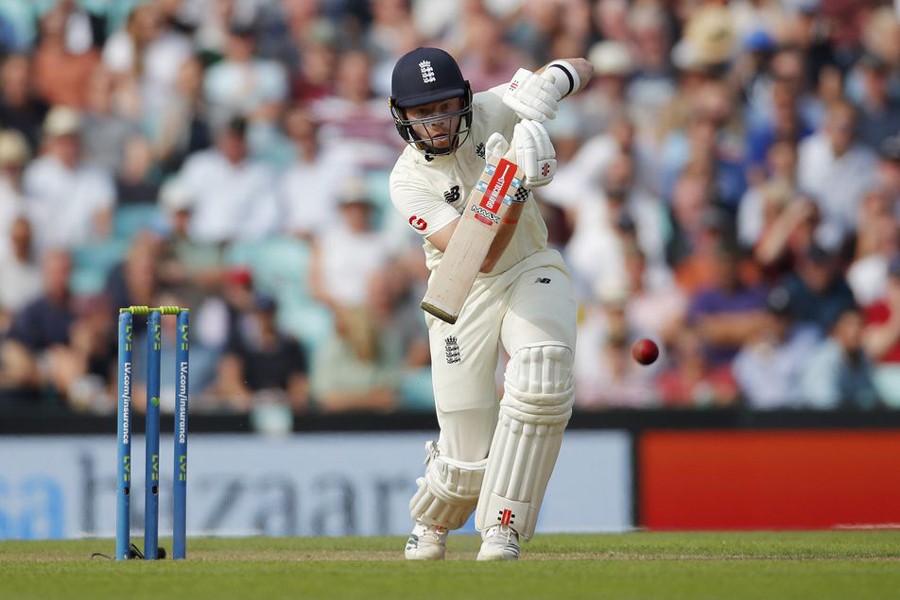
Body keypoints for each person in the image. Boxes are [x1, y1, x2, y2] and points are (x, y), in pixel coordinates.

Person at [386, 47, 593, 561]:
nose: (436, 121)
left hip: (530, 266)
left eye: (445, 106)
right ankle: (432, 520)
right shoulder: (407, 181)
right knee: (464, 443)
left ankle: (504, 527)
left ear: (465, 98)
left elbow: (582, 65)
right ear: (402, 116)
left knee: (542, 374)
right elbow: (478, 258)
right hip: (463, 288)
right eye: (422, 112)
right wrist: (514, 185)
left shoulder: (496, 107)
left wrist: (556, 84)